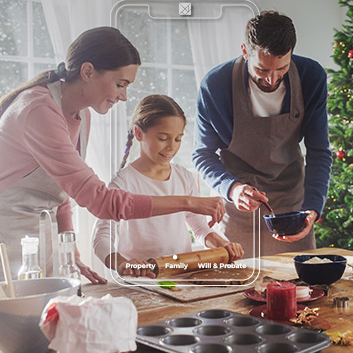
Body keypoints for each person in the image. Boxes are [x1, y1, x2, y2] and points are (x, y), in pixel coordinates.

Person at [0, 27, 225, 281]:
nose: (124, 96)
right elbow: (102, 202)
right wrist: (189, 202)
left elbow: (62, 193)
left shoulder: (82, 114)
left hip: (40, 237)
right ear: (87, 72)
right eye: (120, 84)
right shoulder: (38, 109)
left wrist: (70, 251)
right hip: (2, 241)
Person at [192, 11, 332, 257]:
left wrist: (312, 208)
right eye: (262, 69)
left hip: (293, 207)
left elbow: (319, 151)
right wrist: (233, 189)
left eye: (282, 68)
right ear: (245, 51)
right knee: (239, 290)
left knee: (298, 286)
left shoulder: (311, 77)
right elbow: (202, 154)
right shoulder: (215, 85)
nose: (272, 79)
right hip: (238, 208)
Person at [93, 95, 243, 278]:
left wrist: (223, 244)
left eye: (178, 139)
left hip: (181, 276)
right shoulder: (123, 182)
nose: (172, 147)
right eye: (163, 138)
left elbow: (200, 229)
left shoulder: (184, 178)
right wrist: (122, 263)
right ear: (139, 133)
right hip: (141, 280)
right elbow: (101, 237)